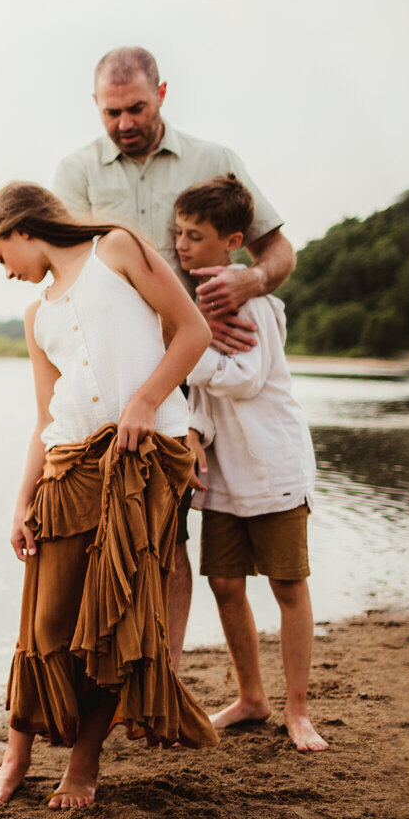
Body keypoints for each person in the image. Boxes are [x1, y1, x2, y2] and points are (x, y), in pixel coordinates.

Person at [0, 182, 219, 811]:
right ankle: (14, 758)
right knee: (46, 618)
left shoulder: (118, 249)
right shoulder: (38, 316)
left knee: (118, 622)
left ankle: (83, 769)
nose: (6, 273)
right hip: (69, 468)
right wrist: (21, 502)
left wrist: (145, 401)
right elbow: (43, 418)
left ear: (21, 228)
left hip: (144, 464)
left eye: (0, 256)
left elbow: (193, 331)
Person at [53, 46, 298, 674]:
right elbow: (64, 276)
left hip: (193, 374)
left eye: (136, 107)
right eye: (112, 112)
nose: (125, 122)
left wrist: (251, 283)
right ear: (95, 105)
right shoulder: (75, 173)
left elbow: (278, 251)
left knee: (171, 535)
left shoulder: (216, 161)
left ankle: (163, 673)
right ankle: (107, 672)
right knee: (98, 527)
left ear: (162, 93)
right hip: (108, 375)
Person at [173, 175, 325, 752]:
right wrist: (190, 430)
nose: (182, 245)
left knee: (288, 585)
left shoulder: (254, 303)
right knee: (225, 583)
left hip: (275, 469)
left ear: (232, 241)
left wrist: (184, 352)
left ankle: (299, 710)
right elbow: (209, 401)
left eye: (195, 235)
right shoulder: (195, 305)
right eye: (179, 233)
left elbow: (243, 379)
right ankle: (252, 697)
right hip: (224, 477)